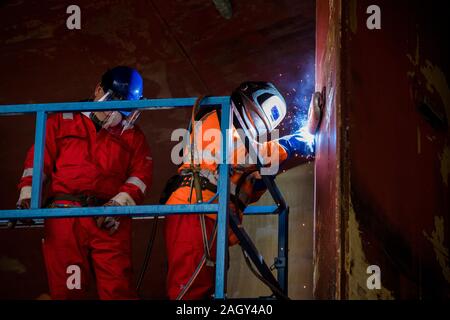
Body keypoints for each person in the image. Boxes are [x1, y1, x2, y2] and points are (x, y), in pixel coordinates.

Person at [164, 81, 322, 299]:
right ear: (247, 104)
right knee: (189, 293)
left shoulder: (238, 143)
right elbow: (249, 155)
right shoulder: (217, 119)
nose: (258, 127)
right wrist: (293, 144)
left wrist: (264, 175)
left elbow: (248, 183)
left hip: (213, 218)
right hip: (194, 211)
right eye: (258, 120)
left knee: (208, 292)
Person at [14, 66, 153, 300]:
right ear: (98, 90)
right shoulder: (61, 121)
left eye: (123, 110)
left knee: (118, 291)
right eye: (113, 104)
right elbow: (39, 162)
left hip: (109, 220)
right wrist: (28, 195)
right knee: (68, 291)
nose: (115, 116)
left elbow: (141, 175)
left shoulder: (133, 136)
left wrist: (117, 206)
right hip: (65, 218)